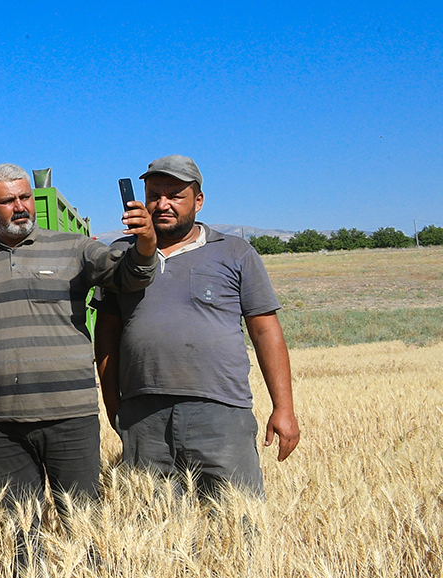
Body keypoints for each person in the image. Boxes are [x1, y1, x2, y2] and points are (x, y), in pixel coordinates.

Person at [0, 164, 157, 519]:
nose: (21, 207)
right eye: (8, 201)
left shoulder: (73, 248)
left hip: (70, 415)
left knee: (82, 522)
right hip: (3, 421)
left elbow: (129, 276)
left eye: (25, 197)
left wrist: (145, 244)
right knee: (18, 526)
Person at [94, 155, 301, 498]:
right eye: (154, 195)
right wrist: (115, 406)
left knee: (236, 523)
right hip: (143, 415)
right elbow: (107, 336)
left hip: (220, 412)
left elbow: (265, 330)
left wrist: (284, 408)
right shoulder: (120, 255)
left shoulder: (235, 253)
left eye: (175, 195)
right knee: (150, 527)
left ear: (198, 201)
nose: (163, 205)